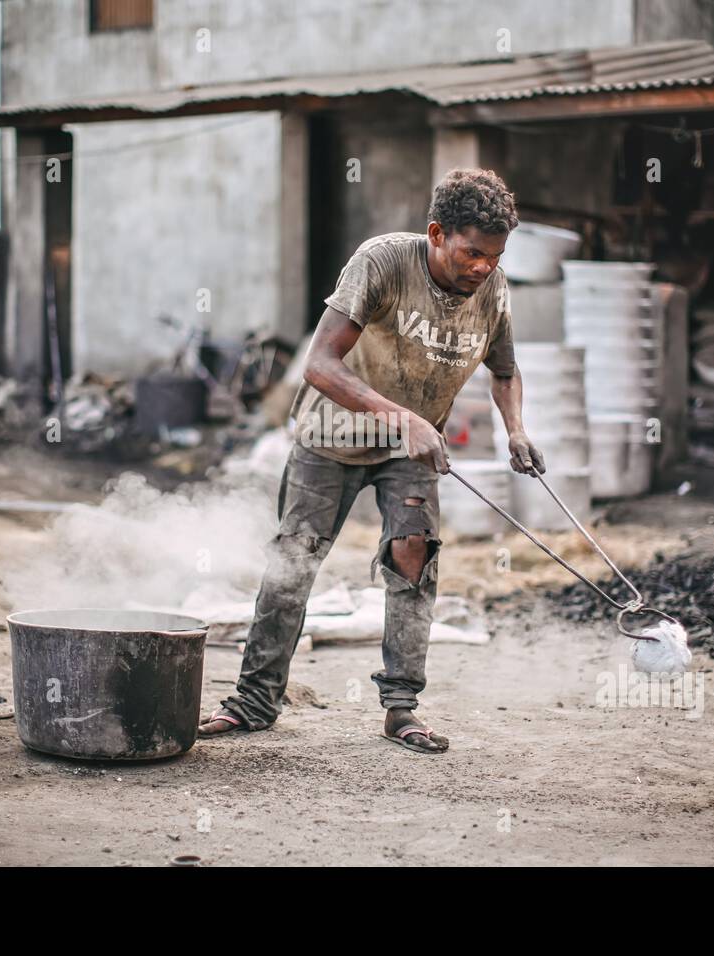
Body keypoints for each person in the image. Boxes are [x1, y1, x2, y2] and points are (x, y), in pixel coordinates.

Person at [198, 167, 544, 754]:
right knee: (294, 562)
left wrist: (516, 429)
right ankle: (255, 701)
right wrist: (404, 416)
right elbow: (319, 365)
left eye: (494, 255)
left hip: (409, 449)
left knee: (413, 557)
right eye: (472, 253)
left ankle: (401, 707)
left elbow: (504, 370)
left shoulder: (493, 288)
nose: (483, 266)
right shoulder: (381, 263)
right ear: (437, 234)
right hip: (330, 438)